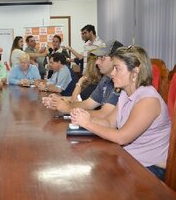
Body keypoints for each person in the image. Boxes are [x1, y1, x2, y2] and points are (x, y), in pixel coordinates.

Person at [70, 45, 171, 181]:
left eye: (117, 68)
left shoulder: (148, 100)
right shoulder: (124, 93)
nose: (112, 73)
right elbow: (110, 123)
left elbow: (122, 137)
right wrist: (82, 118)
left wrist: (88, 124)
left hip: (150, 167)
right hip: (131, 158)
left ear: (134, 72)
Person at [42, 40, 124, 119]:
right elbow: (87, 104)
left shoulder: (122, 83)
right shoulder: (106, 79)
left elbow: (104, 114)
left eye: (102, 57)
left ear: (117, 59)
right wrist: (59, 102)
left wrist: (67, 109)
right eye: (97, 58)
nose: (96, 62)